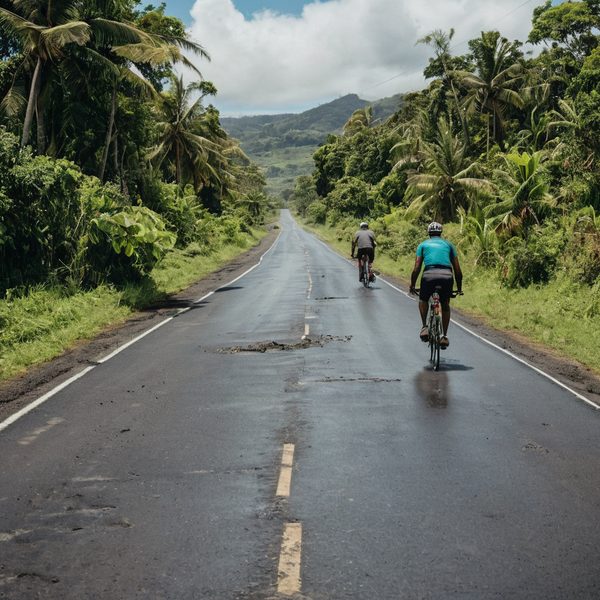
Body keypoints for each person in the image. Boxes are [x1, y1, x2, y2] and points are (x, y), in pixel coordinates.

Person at [409, 221, 462, 349]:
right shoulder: (449, 245)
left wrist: (412, 285)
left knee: (423, 299)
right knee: (445, 305)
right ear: (441, 232)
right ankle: (444, 336)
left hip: (429, 275)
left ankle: (425, 327)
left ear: (429, 233)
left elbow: (416, 268)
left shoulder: (422, 245)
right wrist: (459, 288)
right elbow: (457, 270)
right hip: (447, 276)